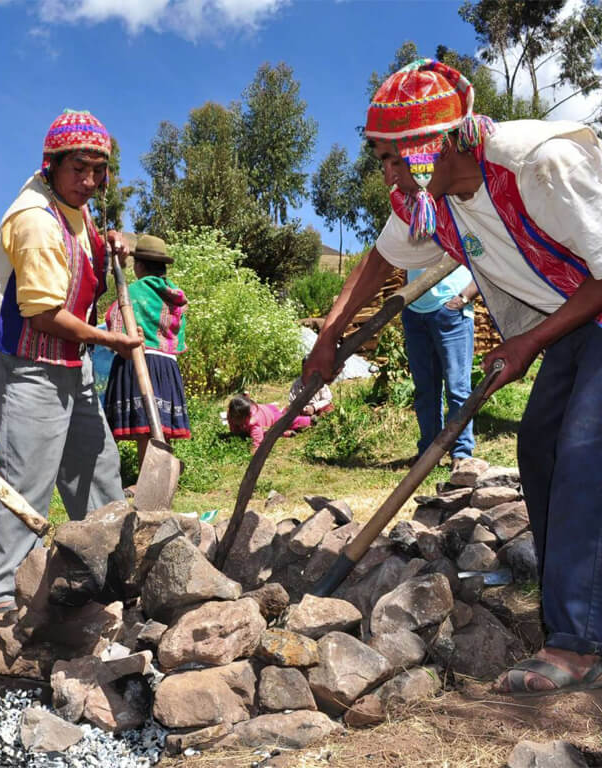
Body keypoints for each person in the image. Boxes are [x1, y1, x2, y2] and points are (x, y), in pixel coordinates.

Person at [304, 58, 602, 697]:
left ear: (436, 145)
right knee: (540, 448)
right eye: (382, 158)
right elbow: (380, 260)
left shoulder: (538, 164)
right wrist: (329, 335)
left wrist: (527, 343)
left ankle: (577, 643)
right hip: (576, 321)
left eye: (395, 157)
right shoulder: (431, 203)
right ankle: (572, 608)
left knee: (584, 453)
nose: (388, 173)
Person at [0, 109, 141, 617]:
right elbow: (44, 314)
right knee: (26, 479)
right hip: (31, 366)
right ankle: (6, 595)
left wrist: (112, 245)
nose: (89, 181)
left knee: (96, 468)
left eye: (98, 170)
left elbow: (83, 262)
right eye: (78, 169)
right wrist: (108, 339)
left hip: (75, 364)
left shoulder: (76, 208)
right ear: (51, 165)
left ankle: (109, 572)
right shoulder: (34, 220)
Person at [103, 235, 190, 468]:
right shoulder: (175, 294)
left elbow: (114, 318)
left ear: (139, 266)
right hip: (167, 365)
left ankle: (147, 476)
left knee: (145, 427)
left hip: (139, 360)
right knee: (161, 425)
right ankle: (162, 471)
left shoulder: (133, 291)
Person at [402, 266, 479, 466]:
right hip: (414, 313)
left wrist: (463, 298)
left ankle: (461, 454)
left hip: (452, 313)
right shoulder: (410, 239)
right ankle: (429, 453)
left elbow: (487, 261)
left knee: (458, 388)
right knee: (425, 389)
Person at [226, 393, 313, 453]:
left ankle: (308, 420)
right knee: (267, 432)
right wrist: (235, 433)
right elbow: (233, 428)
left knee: (285, 421)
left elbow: (257, 440)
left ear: (246, 417)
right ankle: (283, 432)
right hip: (265, 410)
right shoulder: (232, 415)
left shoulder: (253, 422)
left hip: (271, 415)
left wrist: (255, 448)